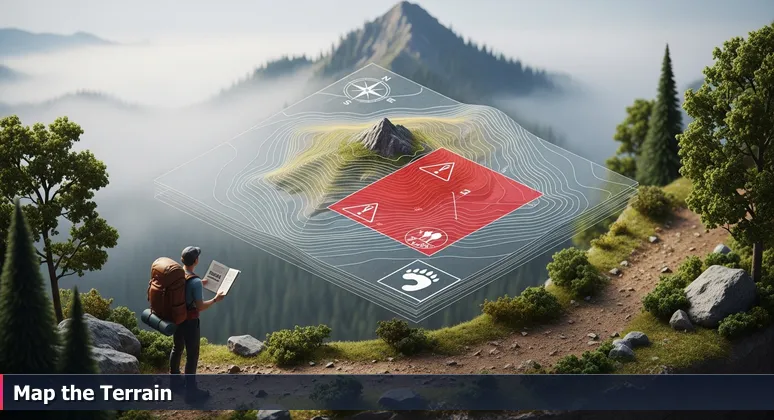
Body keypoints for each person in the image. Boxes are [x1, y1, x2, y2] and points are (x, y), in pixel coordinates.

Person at [169, 245, 226, 401]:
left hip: (177, 317)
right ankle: (191, 391)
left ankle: (174, 381)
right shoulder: (195, 283)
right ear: (196, 260)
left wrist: (200, 282)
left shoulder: (178, 273)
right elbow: (200, 306)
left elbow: (184, 288)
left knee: (177, 347)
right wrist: (215, 299)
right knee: (192, 356)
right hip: (190, 321)